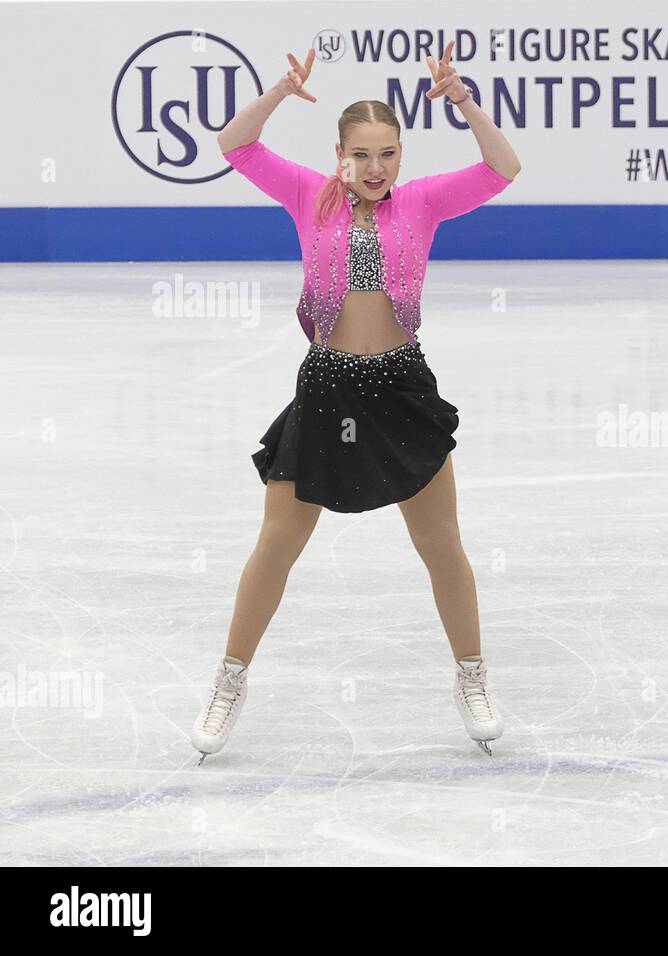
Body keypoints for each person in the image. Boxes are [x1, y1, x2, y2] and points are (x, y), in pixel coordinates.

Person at [192, 44, 521, 761]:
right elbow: (234, 143)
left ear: (402, 155)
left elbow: (503, 168)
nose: (377, 169)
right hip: (327, 384)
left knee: (441, 546)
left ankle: (472, 677)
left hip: (401, 387)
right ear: (339, 154)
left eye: (389, 154)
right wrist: (280, 88)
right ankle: (229, 679)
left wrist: (464, 102)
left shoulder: (426, 201)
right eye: (363, 154)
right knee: (277, 545)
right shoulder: (306, 193)